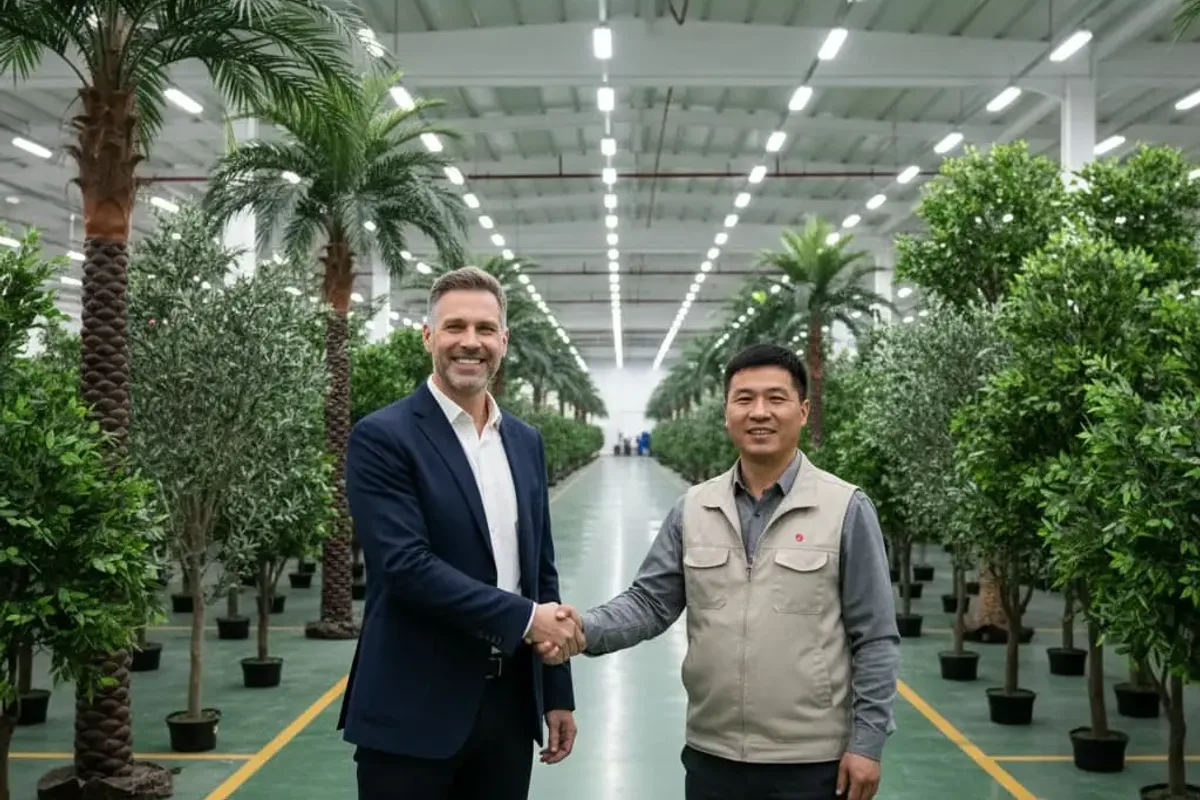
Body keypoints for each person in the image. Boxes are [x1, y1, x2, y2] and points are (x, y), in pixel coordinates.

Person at [539, 342, 900, 800]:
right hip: (713, 757)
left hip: (812, 761)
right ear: (726, 412)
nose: (760, 412)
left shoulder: (845, 508)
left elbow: (876, 637)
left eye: (776, 398)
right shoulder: (695, 508)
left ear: (804, 411)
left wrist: (867, 744)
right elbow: (649, 603)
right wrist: (583, 630)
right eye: (744, 399)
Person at [339, 266, 585, 800]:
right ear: (428, 336)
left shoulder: (525, 441)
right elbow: (405, 566)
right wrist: (525, 619)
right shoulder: (382, 437)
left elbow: (540, 570)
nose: (469, 342)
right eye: (454, 327)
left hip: (507, 710)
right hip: (412, 711)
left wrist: (556, 692)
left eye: (484, 328)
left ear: (503, 340)